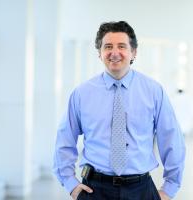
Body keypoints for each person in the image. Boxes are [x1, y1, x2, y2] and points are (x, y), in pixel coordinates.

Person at [53, 21, 185, 200]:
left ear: (134, 52)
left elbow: (171, 140)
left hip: (141, 190)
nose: (114, 52)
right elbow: (64, 140)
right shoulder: (82, 94)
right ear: (100, 53)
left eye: (121, 46)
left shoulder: (154, 91)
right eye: (108, 46)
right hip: (94, 190)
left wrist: (169, 188)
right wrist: (71, 184)